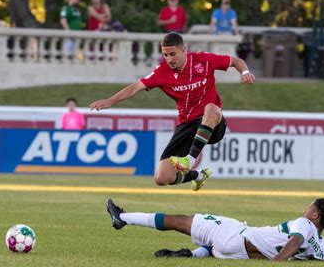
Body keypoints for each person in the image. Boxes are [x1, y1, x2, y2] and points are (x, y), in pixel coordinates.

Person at [90, 32, 255, 190]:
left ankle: (189, 160)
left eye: (173, 54)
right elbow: (135, 88)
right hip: (187, 125)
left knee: (211, 108)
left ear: (184, 50)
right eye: (165, 55)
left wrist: (245, 72)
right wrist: (110, 100)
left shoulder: (203, 59)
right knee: (162, 178)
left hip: (213, 123)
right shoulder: (162, 72)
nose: (169, 59)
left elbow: (235, 61)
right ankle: (198, 176)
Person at [106, 198, 324, 262]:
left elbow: (296, 240)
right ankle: (192, 255)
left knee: (181, 220)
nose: (304, 210)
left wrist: (278, 261)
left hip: (238, 236)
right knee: (214, 246)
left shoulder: (305, 225)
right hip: (240, 253)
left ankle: (124, 218)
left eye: (308, 207)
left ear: (315, 215)